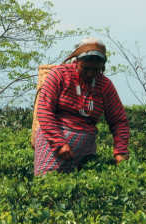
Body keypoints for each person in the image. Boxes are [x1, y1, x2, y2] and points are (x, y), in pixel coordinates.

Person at [34, 38, 129, 175]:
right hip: (53, 141)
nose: (90, 73)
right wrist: (59, 143)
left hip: (85, 146)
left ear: (102, 67)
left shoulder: (105, 85)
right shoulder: (59, 75)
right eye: (86, 68)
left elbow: (119, 121)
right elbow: (44, 111)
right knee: (48, 183)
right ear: (76, 62)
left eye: (96, 69)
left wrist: (120, 151)